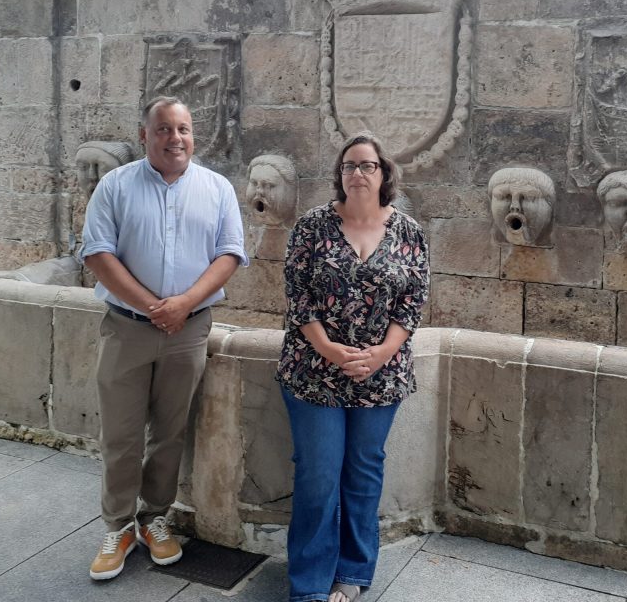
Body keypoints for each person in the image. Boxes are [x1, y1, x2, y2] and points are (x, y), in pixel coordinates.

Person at [81, 95, 248, 581]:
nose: (175, 138)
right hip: (126, 329)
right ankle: (117, 526)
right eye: (164, 129)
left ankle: (155, 519)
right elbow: (97, 252)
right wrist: (154, 306)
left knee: (170, 432)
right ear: (145, 136)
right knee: (121, 435)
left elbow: (230, 254)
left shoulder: (216, 188)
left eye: (184, 129)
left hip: (188, 331)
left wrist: (181, 305)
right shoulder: (115, 185)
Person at [277, 132, 430, 602]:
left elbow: (413, 301)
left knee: (363, 472)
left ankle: (354, 572)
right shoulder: (312, 226)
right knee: (319, 474)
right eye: (349, 166)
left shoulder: (408, 232)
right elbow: (297, 295)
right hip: (313, 371)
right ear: (339, 175)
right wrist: (330, 350)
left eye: (366, 166)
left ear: (383, 173)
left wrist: (381, 353)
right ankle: (308, 584)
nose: (357, 173)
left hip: (380, 376)